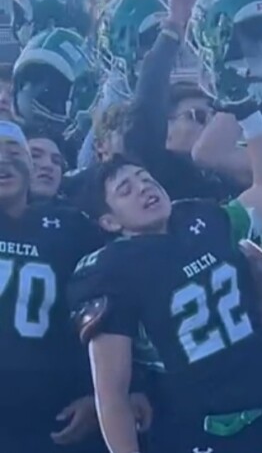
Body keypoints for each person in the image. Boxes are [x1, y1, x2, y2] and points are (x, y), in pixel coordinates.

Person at [67, 103, 262, 453]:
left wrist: (250, 114)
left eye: (145, 179)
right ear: (110, 222)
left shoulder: (204, 219)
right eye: (125, 190)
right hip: (193, 432)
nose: (143, 188)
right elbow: (111, 392)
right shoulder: (111, 270)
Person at [0, 120, 121, 453]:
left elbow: (115, 306)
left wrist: (99, 394)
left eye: (13, 151)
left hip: (57, 414)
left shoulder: (71, 226)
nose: (3, 160)